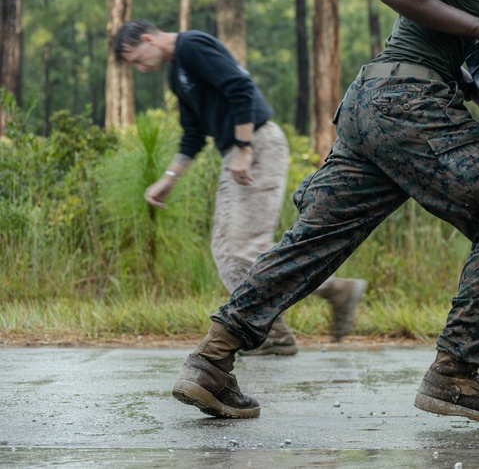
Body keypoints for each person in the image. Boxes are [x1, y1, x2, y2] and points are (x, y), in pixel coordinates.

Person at [169, 0, 479, 424]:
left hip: (373, 110)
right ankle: (455, 376)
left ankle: (211, 362)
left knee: (316, 240)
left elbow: (439, 44)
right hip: (405, 105)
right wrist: (478, 26)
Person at [113, 22, 368, 354]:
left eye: (136, 59)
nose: (139, 68)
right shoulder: (178, 74)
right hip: (238, 152)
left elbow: (240, 87)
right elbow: (193, 134)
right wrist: (168, 179)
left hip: (256, 145)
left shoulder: (192, 46)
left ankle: (332, 292)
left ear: (147, 39)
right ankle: (274, 332)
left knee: (242, 246)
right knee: (226, 251)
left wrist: (245, 147)